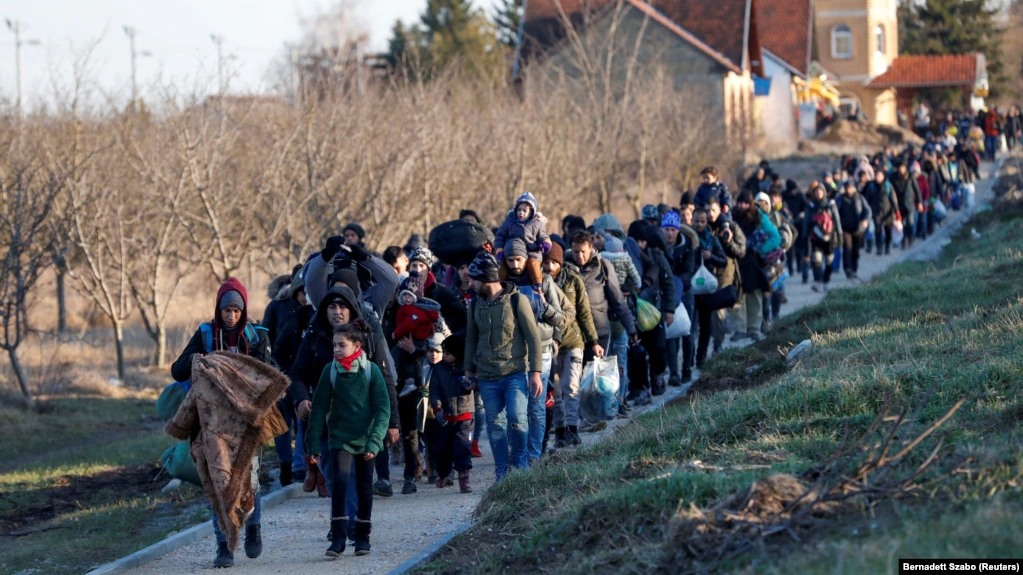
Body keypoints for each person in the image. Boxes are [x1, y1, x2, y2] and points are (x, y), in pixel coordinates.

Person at [170, 278, 272, 569]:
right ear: (218, 309)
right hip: (210, 424)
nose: (231, 316)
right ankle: (224, 546)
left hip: (245, 423)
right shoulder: (204, 334)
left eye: (236, 311)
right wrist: (196, 359)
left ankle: (253, 526)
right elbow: (177, 371)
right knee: (218, 484)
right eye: (226, 310)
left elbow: (268, 376)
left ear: (243, 311)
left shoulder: (256, 336)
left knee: (249, 481)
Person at [290, 285, 400, 514]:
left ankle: (351, 522)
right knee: (335, 475)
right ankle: (346, 521)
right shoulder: (313, 336)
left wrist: (393, 422)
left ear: (351, 310)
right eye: (332, 306)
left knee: (354, 476)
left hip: (360, 422)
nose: (337, 311)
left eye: (342, 306)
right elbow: (297, 374)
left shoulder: (368, 338)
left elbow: (386, 380)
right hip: (323, 420)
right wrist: (300, 399)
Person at [305, 321, 390, 559]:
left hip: (366, 437)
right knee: (340, 484)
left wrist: (375, 441)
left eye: (342, 345)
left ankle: (362, 538)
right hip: (339, 437)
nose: (336, 350)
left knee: (364, 487)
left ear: (357, 345)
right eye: (334, 345)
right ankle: (339, 538)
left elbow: (383, 409)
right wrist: (312, 442)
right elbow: (319, 409)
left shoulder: (371, 370)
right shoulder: (330, 371)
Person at [463, 251, 543, 480]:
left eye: (474, 279)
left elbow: (533, 337)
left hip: (514, 373)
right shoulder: (474, 305)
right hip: (487, 377)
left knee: (517, 420)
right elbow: (471, 338)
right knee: (495, 425)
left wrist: (535, 373)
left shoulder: (518, 300)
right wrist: (469, 371)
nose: (471, 284)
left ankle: (520, 465)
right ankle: (502, 473)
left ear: (486, 278)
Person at [501, 237, 565, 463]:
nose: (516, 264)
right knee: (515, 409)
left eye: (519, 259)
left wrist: (543, 305)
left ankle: (534, 456)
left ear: (527, 259)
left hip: (541, 351)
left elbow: (560, 319)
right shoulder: (503, 284)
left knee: (536, 407)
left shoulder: (544, 281)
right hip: (513, 353)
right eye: (510, 260)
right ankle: (518, 456)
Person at [566, 232, 637, 417]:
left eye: (582, 251)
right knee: (576, 377)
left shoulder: (603, 267)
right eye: (575, 252)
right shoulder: (565, 267)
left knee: (594, 377)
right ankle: (579, 417)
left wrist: (630, 327)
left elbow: (618, 300)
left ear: (591, 248)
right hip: (573, 333)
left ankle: (598, 416)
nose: (579, 256)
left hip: (599, 331)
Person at [543, 242, 601, 448]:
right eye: (546, 262)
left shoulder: (573, 280)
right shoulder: (539, 282)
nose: (549, 267)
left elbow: (584, 312)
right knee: (556, 391)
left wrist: (593, 341)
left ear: (560, 262)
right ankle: (559, 432)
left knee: (571, 385)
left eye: (553, 262)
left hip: (573, 340)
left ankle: (572, 429)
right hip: (549, 344)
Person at [428, 335, 475, 493]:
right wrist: (437, 408)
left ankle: (464, 478)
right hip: (446, 417)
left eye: (448, 353)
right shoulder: (439, 368)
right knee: (442, 449)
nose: (444, 356)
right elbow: (434, 390)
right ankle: (442, 474)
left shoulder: (467, 368)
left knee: (463, 448)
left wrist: (471, 384)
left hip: (465, 416)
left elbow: (477, 384)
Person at [731, 192, 780, 340]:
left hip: (753, 261)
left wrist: (760, 250)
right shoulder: (731, 217)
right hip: (736, 261)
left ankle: (753, 328)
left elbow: (775, 237)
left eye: (746, 203)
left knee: (755, 295)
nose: (743, 206)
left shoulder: (759, 217)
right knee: (738, 296)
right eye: (740, 202)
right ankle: (739, 329)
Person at [662, 211, 698, 385]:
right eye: (666, 229)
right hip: (667, 293)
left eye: (672, 230)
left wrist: (676, 283)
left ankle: (687, 368)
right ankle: (674, 372)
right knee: (670, 332)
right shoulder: (659, 247)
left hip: (685, 291)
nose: (669, 233)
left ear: (678, 231)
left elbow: (688, 271)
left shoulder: (687, 246)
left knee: (686, 331)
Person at [691, 208, 730, 367]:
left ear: (707, 222)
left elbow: (723, 260)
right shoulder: (687, 237)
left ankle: (701, 358)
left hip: (707, 287)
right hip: (690, 287)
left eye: (702, 221)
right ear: (691, 220)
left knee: (706, 326)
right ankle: (688, 360)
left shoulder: (712, 240)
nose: (699, 224)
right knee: (690, 327)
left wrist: (710, 257)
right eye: (696, 221)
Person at [494, 192, 552, 289]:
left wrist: (545, 243)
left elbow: (543, 236)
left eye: (525, 210)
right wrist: (499, 249)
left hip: (532, 251)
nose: (521, 213)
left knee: (533, 266)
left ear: (531, 212)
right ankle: (498, 287)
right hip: (513, 250)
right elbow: (500, 236)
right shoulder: (510, 221)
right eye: (519, 210)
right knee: (503, 267)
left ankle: (538, 286)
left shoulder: (537, 223)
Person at [801, 183, 843, 292]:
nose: (818, 193)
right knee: (816, 260)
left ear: (824, 192)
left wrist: (839, 235)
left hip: (830, 238)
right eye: (816, 191)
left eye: (820, 191)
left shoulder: (830, 204)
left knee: (829, 261)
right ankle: (817, 282)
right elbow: (806, 222)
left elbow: (837, 220)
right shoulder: (810, 206)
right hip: (815, 239)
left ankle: (826, 281)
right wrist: (805, 237)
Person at [835, 181, 872, 280]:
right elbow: (834, 212)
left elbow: (868, 210)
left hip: (857, 229)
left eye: (851, 187)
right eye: (847, 188)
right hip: (844, 229)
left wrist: (865, 220)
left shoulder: (860, 198)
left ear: (854, 188)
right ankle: (847, 269)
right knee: (847, 249)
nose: (849, 190)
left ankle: (854, 269)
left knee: (855, 250)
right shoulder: (840, 199)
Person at [862, 170, 898, 256]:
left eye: (879, 176)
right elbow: (867, 200)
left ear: (883, 176)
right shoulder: (871, 186)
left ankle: (887, 247)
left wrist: (897, 211)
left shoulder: (888, 185)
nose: (877, 178)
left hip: (888, 211)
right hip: (876, 212)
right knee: (877, 231)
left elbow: (893, 199)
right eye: (876, 176)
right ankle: (879, 248)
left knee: (888, 231)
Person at [891, 162, 921, 250]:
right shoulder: (894, 178)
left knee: (910, 222)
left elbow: (917, 189)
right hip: (899, 205)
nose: (901, 169)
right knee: (902, 224)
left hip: (909, 203)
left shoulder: (910, 176)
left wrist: (919, 202)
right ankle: (903, 241)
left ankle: (911, 238)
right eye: (900, 168)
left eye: (903, 167)